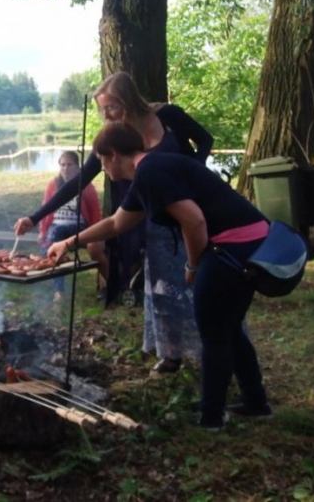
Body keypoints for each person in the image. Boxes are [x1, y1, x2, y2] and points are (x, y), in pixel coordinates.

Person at [48, 122, 272, 431]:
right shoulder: (147, 174)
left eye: (101, 161)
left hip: (235, 245)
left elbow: (194, 222)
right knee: (228, 325)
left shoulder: (150, 171)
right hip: (251, 237)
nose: (101, 168)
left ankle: (211, 417)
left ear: (113, 155)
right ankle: (255, 402)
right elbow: (116, 224)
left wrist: (192, 266)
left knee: (214, 329)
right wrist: (69, 242)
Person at [15, 71, 213, 373]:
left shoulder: (168, 116)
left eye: (111, 108)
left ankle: (208, 349)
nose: (105, 115)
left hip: (187, 212)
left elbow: (205, 140)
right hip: (146, 216)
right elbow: (78, 181)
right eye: (102, 109)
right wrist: (35, 216)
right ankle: (171, 352)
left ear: (129, 101)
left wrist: (190, 174)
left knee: (194, 282)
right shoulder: (115, 139)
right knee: (159, 283)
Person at [38, 150, 107, 301]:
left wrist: (98, 235)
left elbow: (95, 211)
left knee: (96, 248)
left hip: (79, 227)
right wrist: (42, 231)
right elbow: (46, 207)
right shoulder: (53, 185)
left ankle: (106, 284)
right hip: (57, 226)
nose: (66, 168)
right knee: (51, 244)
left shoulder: (86, 185)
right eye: (63, 165)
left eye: (70, 165)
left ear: (78, 167)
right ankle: (59, 291)